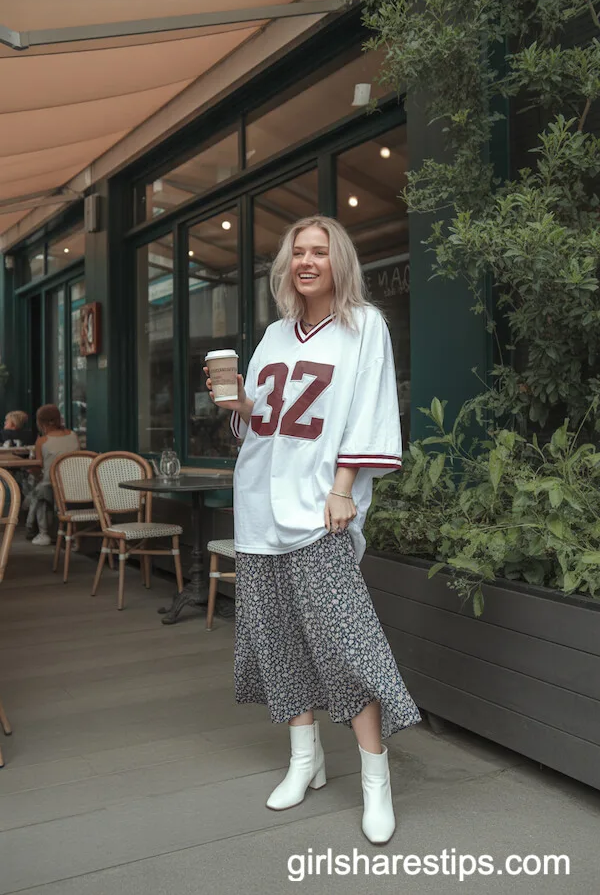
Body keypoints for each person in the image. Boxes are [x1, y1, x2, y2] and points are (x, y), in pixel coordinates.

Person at [205, 216, 420, 845]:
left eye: (319, 252)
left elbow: (370, 410)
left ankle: (376, 780)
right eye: (297, 252)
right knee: (279, 639)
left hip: (320, 507)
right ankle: (306, 761)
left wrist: (342, 489)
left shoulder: (364, 327)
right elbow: (263, 424)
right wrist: (240, 403)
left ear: (338, 261)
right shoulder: (273, 335)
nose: (306, 261)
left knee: (346, 643)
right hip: (258, 505)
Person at [26, 404, 79, 546]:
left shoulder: (42, 441)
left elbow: (37, 468)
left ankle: (41, 532)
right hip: (77, 485)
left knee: (38, 491)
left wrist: (29, 466)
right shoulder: (73, 435)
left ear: (40, 422)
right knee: (41, 489)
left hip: (52, 485)